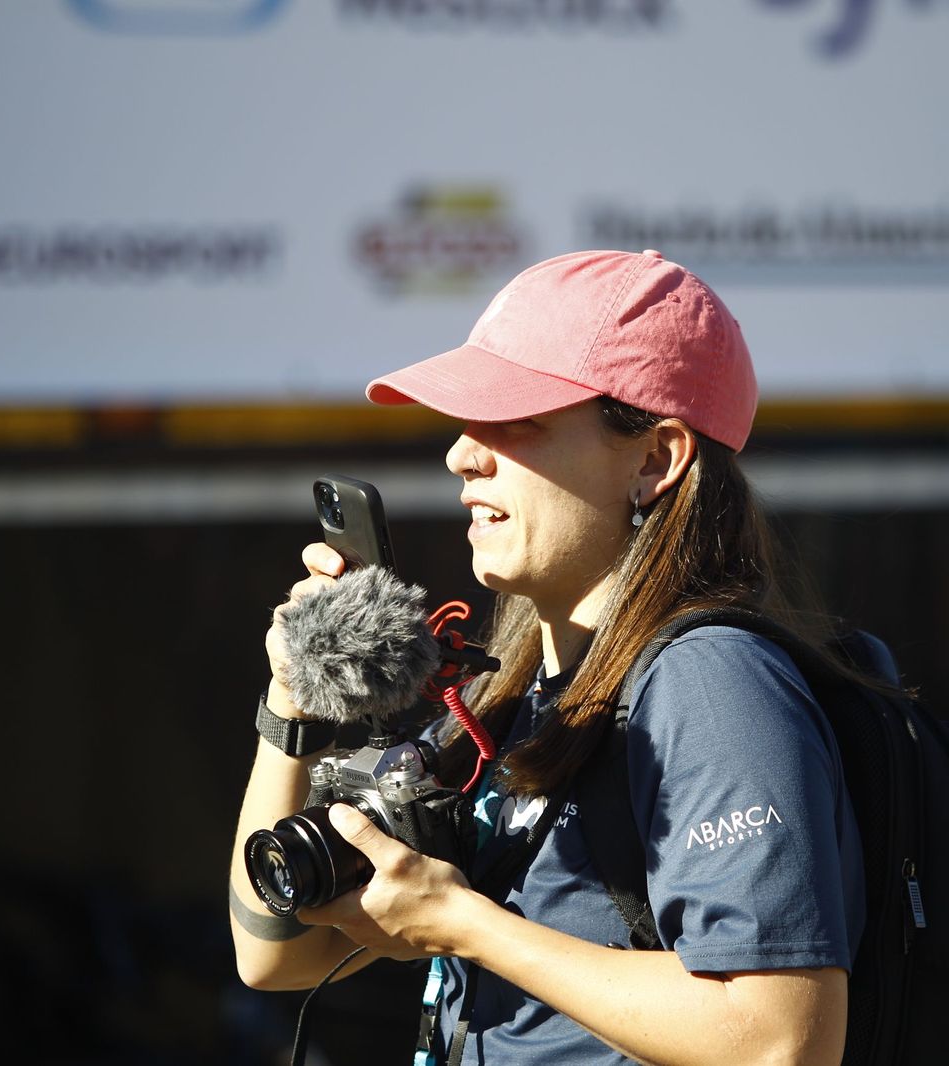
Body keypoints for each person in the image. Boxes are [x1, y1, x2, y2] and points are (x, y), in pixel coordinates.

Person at [228, 248, 866, 1065]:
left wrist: (466, 925)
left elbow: (782, 1039)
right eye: (465, 423)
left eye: (514, 418)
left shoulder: (711, 681)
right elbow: (276, 953)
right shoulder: (530, 696)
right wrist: (292, 703)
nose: (463, 455)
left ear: (654, 459)